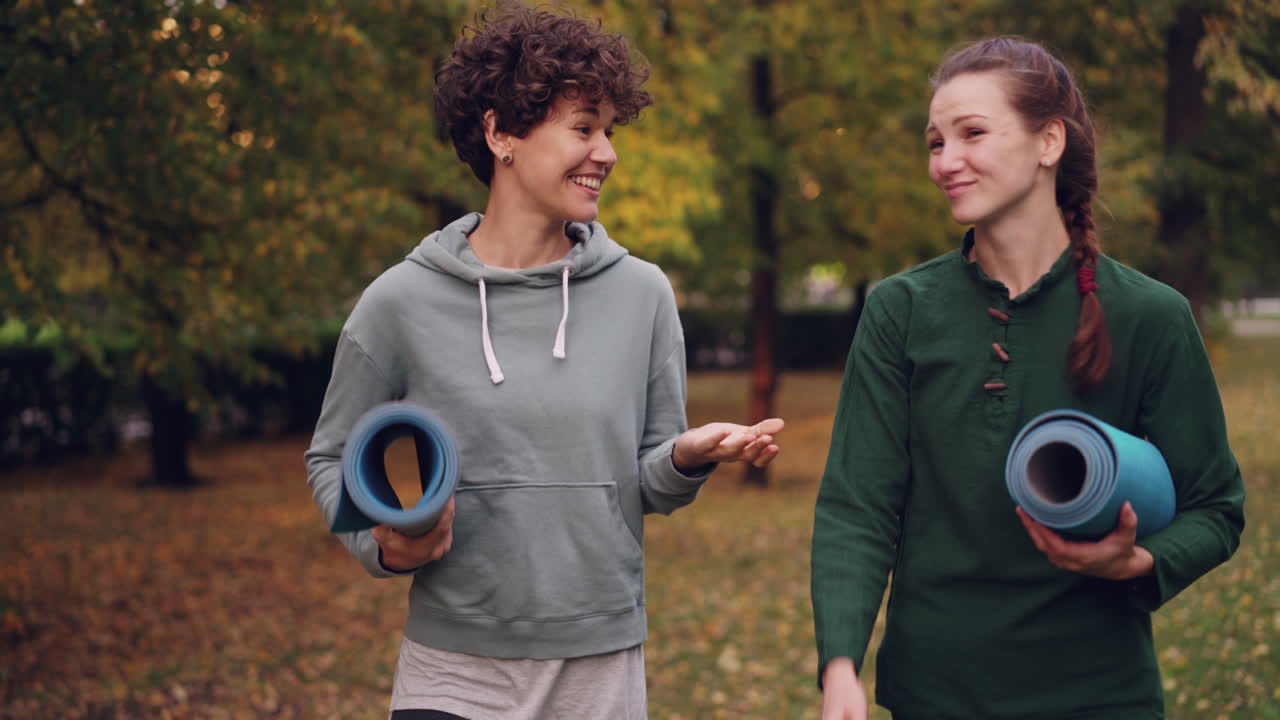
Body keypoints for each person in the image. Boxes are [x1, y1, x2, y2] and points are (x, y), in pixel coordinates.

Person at [304, 5, 783, 719]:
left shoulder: (642, 294)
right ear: (501, 132)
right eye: (584, 128)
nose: (607, 153)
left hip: (598, 668)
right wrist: (382, 547)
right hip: (454, 669)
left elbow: (649, 485)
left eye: (610, 131)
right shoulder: (402, 299)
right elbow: (331, 456)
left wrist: (685, 457)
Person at [811, 36, 1245, 720]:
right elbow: (857, 506)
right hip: (934, 693)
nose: (945, 162)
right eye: (935, 143)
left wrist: (1137, 563)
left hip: (1100, 694)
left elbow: (1215, 508)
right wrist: (840, 664)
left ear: (1049, 141)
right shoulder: (901, 310)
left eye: (972, 134)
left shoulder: (1150, 315)